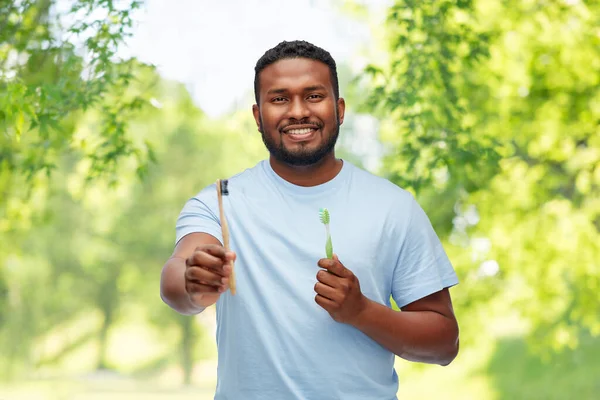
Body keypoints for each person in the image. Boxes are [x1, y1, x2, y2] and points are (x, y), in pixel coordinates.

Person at [160, 40, 459, 399]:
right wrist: (194, 282)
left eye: (314, 96)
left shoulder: (393, 206)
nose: (298, 111)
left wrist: (362, 311)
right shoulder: (220, 201)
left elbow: (444, 343)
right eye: (280, 99)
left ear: (340, 109)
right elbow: (176, 281)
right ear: (258, 116)